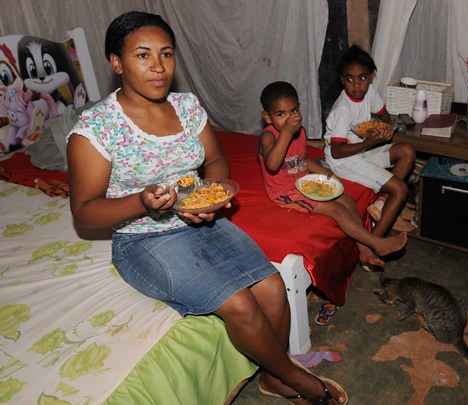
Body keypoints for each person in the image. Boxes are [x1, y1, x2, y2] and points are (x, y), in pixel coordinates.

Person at [67, 11, 348, 404]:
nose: (158, 66)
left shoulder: (186, 106)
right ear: (116, 63)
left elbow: (215, 162)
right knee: (240, 304)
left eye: (166, 54)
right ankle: (295, 379)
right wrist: (143, 202)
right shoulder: (95, 129)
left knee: (271, 287)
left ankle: (271, 378)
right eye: (143, 55)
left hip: (201, 222)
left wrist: (216, 191)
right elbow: (84, 212)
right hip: (144, 240)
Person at [258, 81, 407, 323]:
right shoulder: (269, 136)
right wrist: (285, 132)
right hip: (285, 192)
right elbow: (273, 164)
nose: (289, 118)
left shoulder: (300, 131)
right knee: (335, 210)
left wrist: (329, 175)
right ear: (267, 117)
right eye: (280, 114)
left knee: (346, 198)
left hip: (301, 180)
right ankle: (377, 243)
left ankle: (363, 249)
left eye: (293, 111)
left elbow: (303, 160)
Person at [323, 45, 416, 245]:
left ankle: (382, 203)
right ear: (342, 80)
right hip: (344, 160)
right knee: (400, 189)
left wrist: (384, 126)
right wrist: (370, 142)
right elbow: (337, 151)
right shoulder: (342, 110)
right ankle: (374, 245)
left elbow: (383, 114)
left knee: (407, 151)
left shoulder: (370, 92)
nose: (357, 85)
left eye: (362, 78)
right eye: (350, 79)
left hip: (362, 148)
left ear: (371, 77)